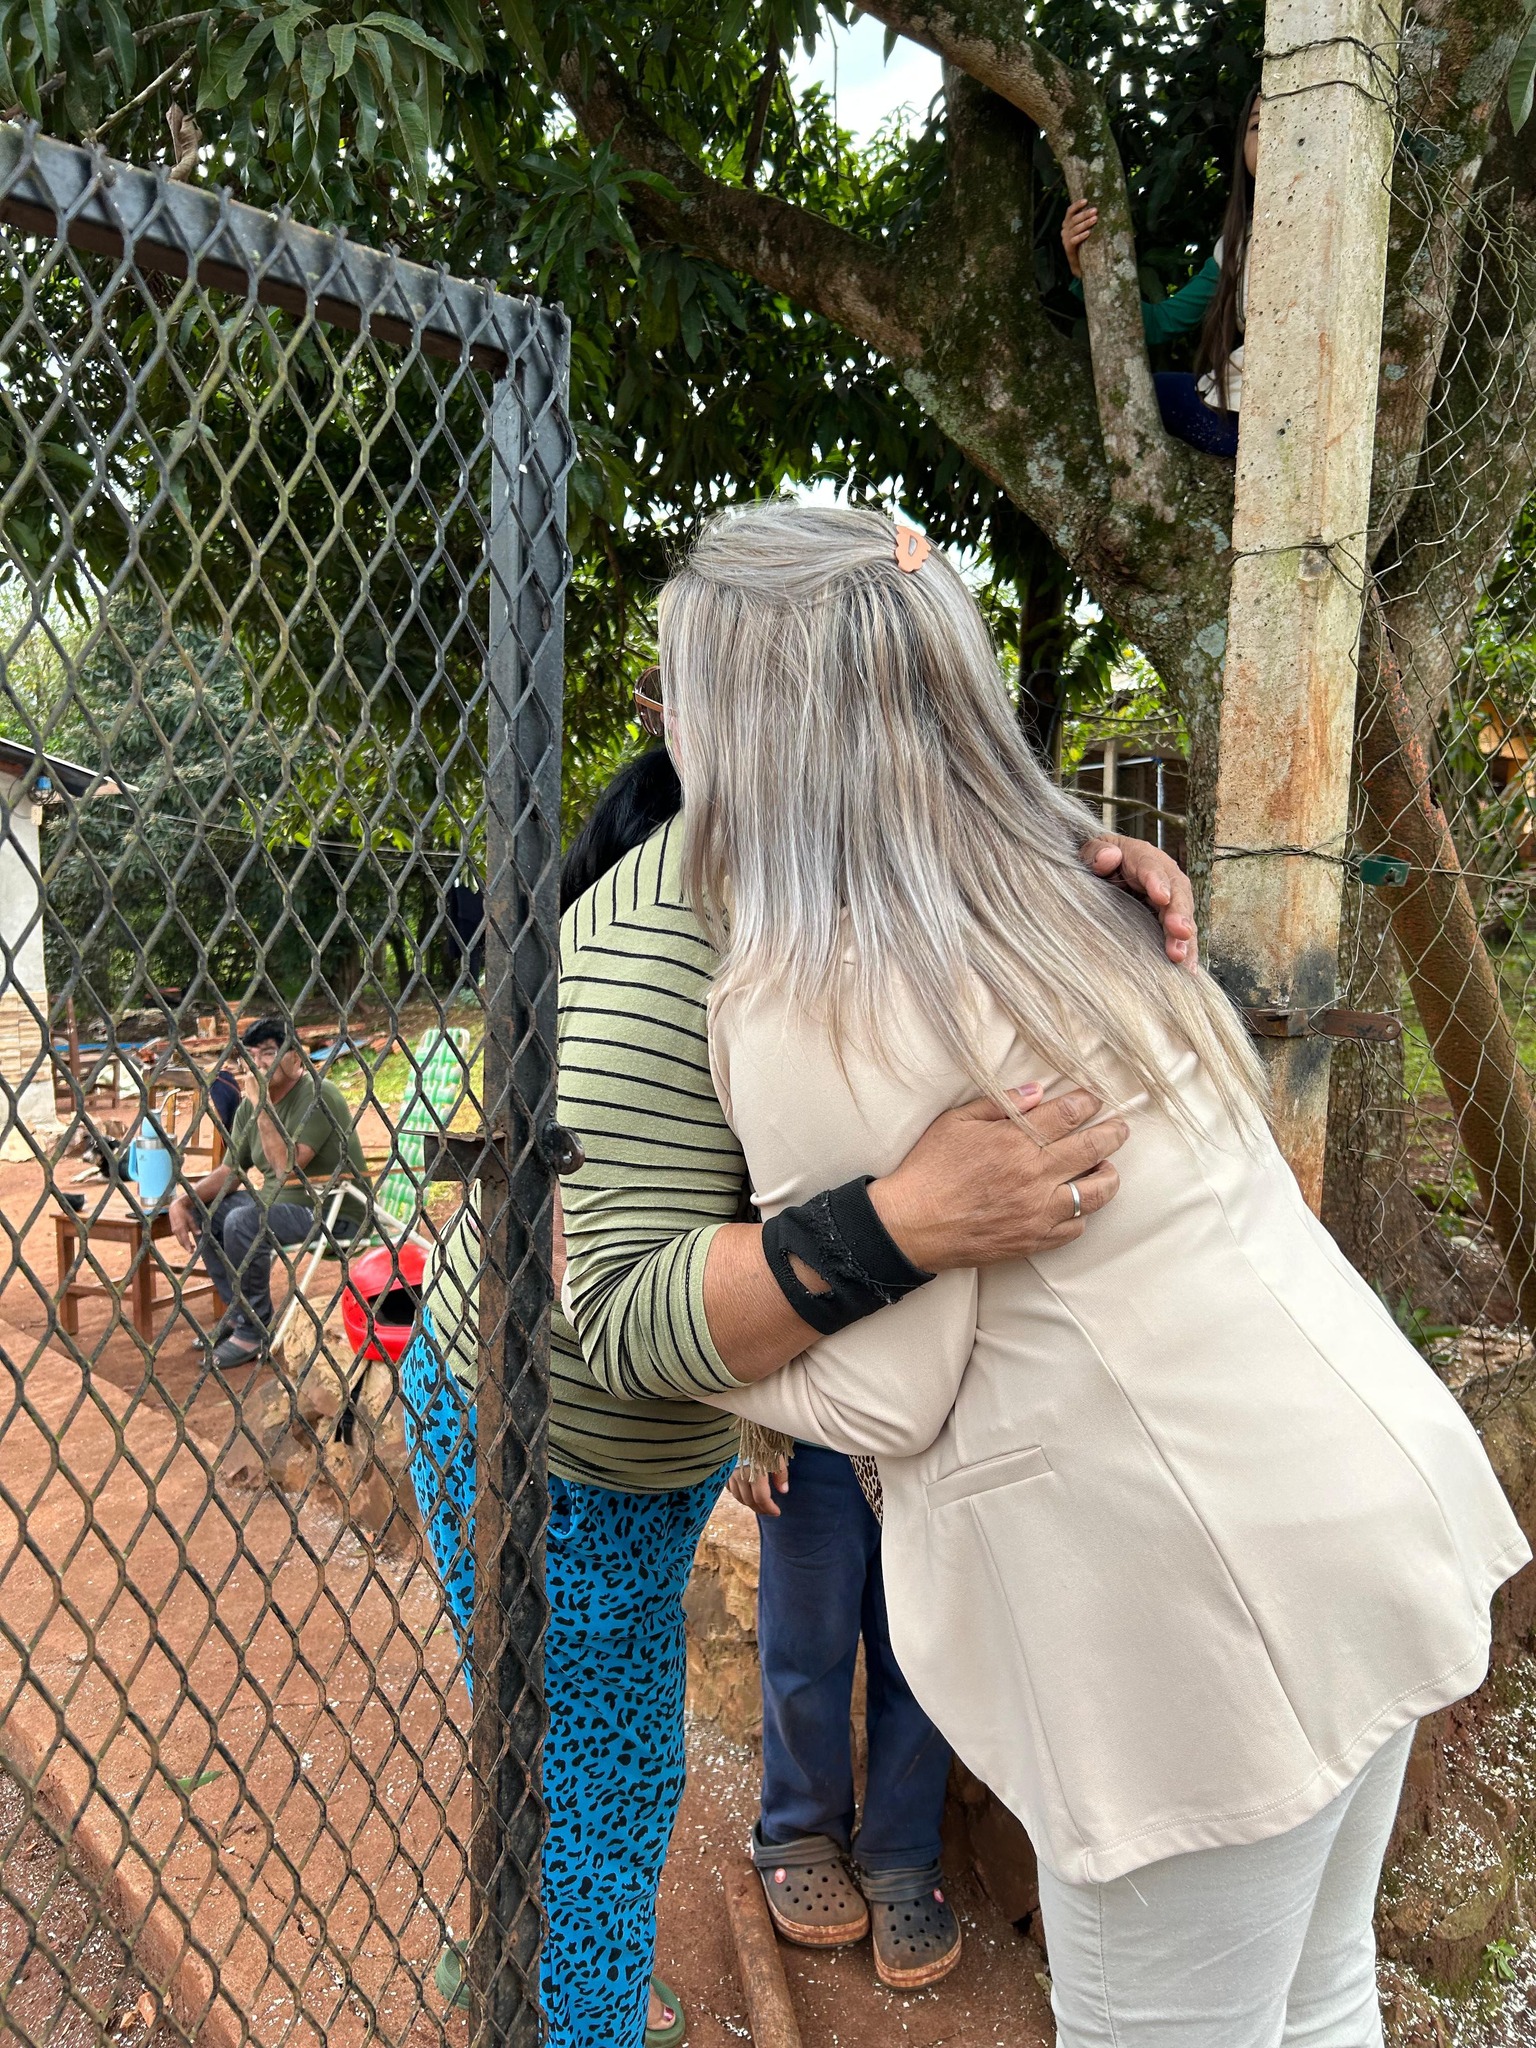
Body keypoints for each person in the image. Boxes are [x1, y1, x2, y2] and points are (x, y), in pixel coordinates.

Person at [620, 499, 1529, 2048]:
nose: (670, 734)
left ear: (758, 728)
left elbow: (887, 1403)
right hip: (1365, 1508)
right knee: (1319, 1996)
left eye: (679, 695)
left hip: (1191, 1622)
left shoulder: (809, 990)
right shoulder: (1083, 895)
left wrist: (702, 1315)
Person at [401, 741, 1201, 2048]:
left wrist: (1088, 879)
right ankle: (573, 2002)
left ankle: (529, 1958)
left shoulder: (767, 901)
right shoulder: (688, 929)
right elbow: (612, 1292)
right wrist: (900, 1228)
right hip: (562, 1458)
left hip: (570, 1432)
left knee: (557, 1745)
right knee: (610, 1783)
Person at [730, 1436, 959, 1987]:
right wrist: (746, 1433)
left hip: (939, 1435)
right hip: (808, 1434)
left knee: (924, 1657)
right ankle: (799, 1825)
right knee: (804, 1645)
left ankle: (903, 1843)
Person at [1063, 90, 1260, 459]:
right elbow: (1156, 323)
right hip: (1239, 417)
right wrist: (1084, 270)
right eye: (1258, 125)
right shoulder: (1237, 247)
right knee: (1138, 392)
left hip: (1315, 415)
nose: (1272, 134)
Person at [169, 1015, 367, 1370]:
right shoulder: (248, 1105)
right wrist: (183, 1200)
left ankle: (252, 1332)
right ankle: (239, 1315)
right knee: (206, 1211)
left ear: (294, 1057)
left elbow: (286, 1168)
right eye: (251, 1055)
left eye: (269, 1052)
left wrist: (263, 1108)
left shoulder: (319, 1094)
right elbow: (230, 1172)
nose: (259, 1063)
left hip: (333, 1210)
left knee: (243, 1221)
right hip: (278, 1207)